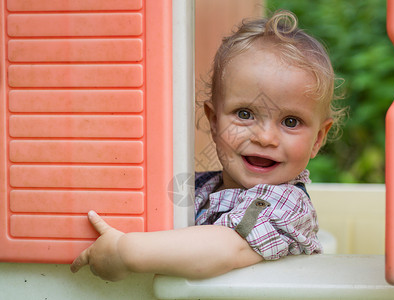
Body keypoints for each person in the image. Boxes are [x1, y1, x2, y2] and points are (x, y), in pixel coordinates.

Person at [70, 9, 343, 282]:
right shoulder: (199, 187)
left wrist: (124, 251)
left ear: (318, 139)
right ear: (213, 121)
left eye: (291, 121)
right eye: (245, 114)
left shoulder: (286, 204)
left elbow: (225, 248)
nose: (265, 137)